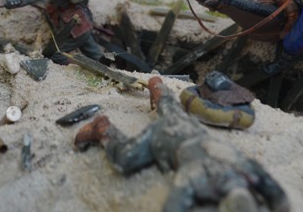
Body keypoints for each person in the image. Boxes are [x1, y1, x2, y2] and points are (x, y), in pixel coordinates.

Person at [74, 76, 289, 212]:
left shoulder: (245, 168)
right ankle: (102, 128)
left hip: (192, 130)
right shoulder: (197, 176)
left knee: (174, 113)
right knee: (124, 159)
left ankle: (159, 89)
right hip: (164, 137)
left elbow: (279, 198)